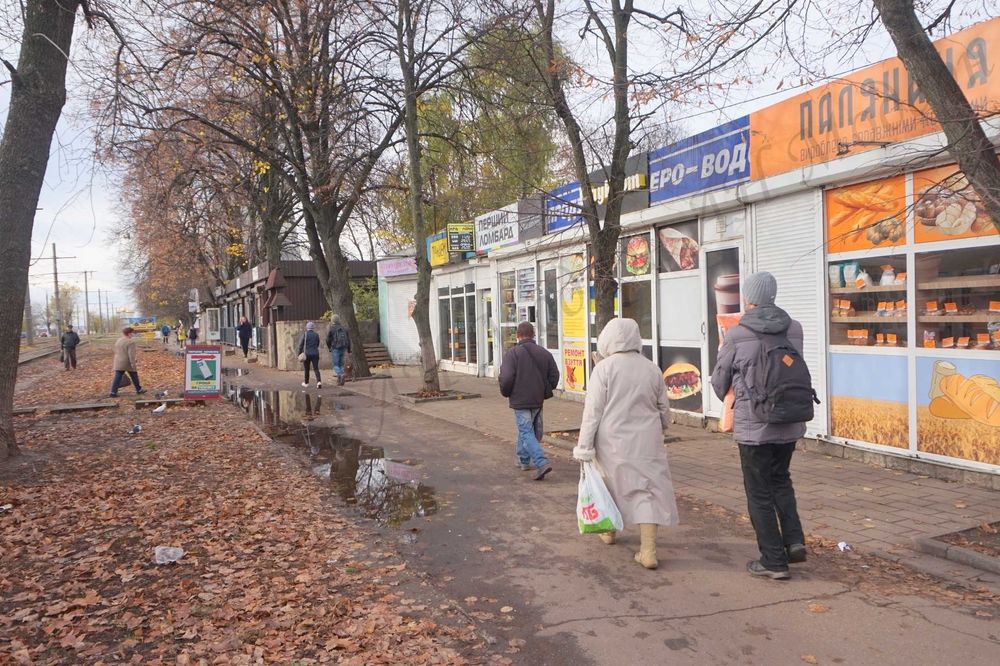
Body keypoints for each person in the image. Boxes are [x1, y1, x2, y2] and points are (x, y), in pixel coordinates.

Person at [711, 271, 809, 580]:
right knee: (781, 480)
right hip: (790, 420)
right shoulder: (795, 329)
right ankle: (793, 542)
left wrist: (730, 397)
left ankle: (773, 560)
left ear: (749, 298)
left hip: (754, 425)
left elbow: (719, 378)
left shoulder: (738, 333)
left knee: (759, 491)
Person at [572, 318, 677, 570]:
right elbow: (664, 408)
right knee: (646, 490)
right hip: (647, 440)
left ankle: (608, 532)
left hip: (612, 441)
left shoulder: (604, 369)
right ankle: (648, 550)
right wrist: (661, 427)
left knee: (609, 485)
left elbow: (593, 411)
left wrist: (584, 447)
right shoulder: (651, 368)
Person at [498, 321, 559, 481]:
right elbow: (554, 376)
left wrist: (506, 392)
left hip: (520, 400)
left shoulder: (512, 354)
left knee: (526, 431)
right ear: (533, 334)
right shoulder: (544, 353)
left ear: (518, 335)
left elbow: (506, 377)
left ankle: (541, 461)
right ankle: (523, 461)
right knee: (528, 431)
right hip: (537, 400)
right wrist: (545, 390)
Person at [110, 327, 146, 397]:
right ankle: (139, 389)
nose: (133, 334)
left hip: (118, 361)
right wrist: (133, 364)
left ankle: (113, 392)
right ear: (129, 333)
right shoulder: (130, 342)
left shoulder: (118, 340)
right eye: (132, 333)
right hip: (127, 362)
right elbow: (131, 355)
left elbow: (115, 350)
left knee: (117, 377)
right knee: (134, 375)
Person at [325, 314, 351, 386]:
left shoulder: (331, 328)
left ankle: (341, 374)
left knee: (335, 365)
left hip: (335, 348)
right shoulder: (344, 328)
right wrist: (349, 350)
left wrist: (329, 347)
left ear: (332, 320)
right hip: (343, 348)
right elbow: (348, 340)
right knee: (341, 364)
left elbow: (327, 339)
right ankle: (340, 381)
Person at [299, 321, 322, 388]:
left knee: (307, 369)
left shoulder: (305, 334)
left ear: (307, 327)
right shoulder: (316, 335)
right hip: (315, 353)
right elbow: (318, 343)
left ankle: (306, 383)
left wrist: (299, 353)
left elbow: (301, 345)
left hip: (307, 354)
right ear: (313, 327)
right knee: (316, 368)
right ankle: (319, 382)